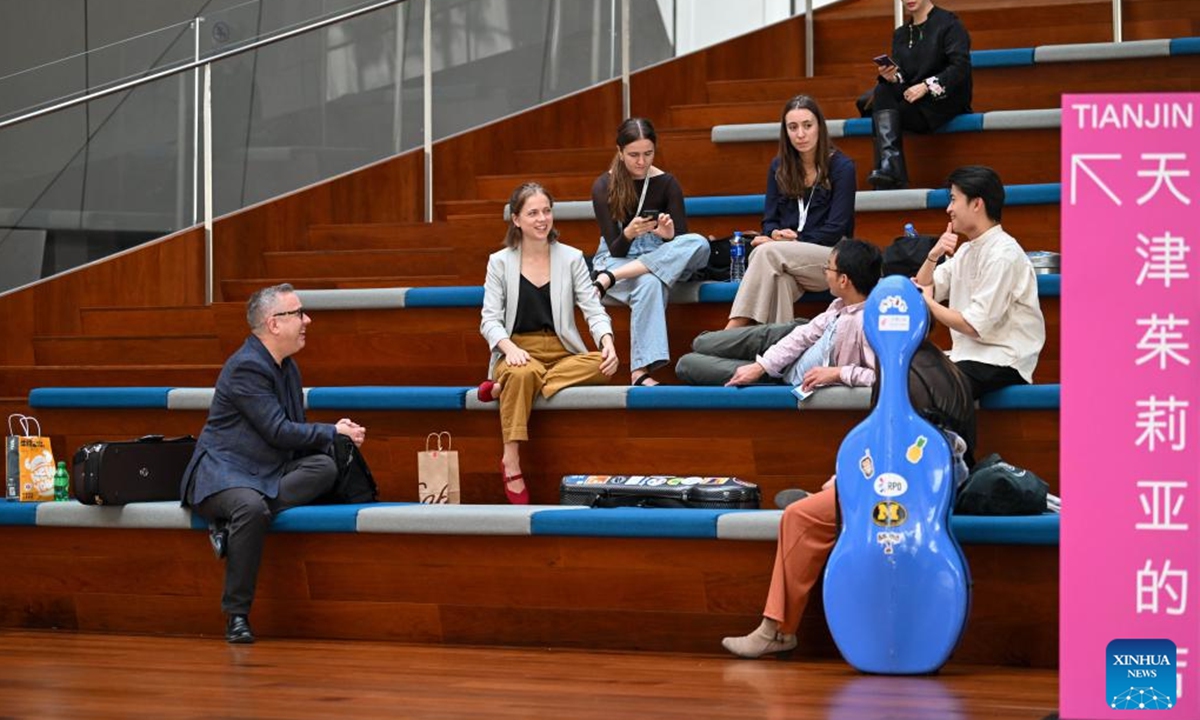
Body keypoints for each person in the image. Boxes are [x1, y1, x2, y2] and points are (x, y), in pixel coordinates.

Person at [721, 337, 977, 659]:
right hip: (940, 486)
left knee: (800, 517)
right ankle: (828, 498)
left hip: (909, 495)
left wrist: (844, 485)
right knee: (819, 504)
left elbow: (892, 453)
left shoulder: (901, 374)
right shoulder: (943, 366)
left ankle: (776, 632)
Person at [180, 283, 367, 644]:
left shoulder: (287, 366)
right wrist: (332, 431)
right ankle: (236, 615)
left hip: (266, 471)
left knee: (324, 468)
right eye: (298, 314)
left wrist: (330, 438)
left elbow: (292, 435)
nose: (307, 320)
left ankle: (229, 528)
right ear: (274, 323)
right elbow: (278, 431)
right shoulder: (246, 367)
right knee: (250, 508)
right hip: (224, 473)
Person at [480, 182, 619, 503]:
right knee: (522, 372)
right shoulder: (499, 262)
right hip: (518, 350)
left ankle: (503, 387)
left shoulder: (571, 258)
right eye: (533, 213)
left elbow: (592, 309)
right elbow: (489, 320)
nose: (542, 219)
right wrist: (510, 350)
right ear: (516, 219)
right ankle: (511, 459)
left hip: (561, 352)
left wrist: (607, 340)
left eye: (546, 211)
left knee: (603, 365)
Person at [589, 117, 711, 385]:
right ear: (620, 152)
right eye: (634, 155)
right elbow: (615, 248)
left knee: (699, 243)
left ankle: (610, 278)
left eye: (648, 153)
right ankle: (640, 372)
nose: (641, 161)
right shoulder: (603, 186)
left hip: (634, 266)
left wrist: (668, 236)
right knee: (649, 282)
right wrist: (629, 233)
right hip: (618, 257)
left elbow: (682, 243)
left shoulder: (667, 183)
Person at [676, 238, 881, 390]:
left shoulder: (870, 324)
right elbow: (803, 336)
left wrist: (838, 373)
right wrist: (761, 366)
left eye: (828, 268)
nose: (825, 272)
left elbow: (885, 378)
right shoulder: (839, 305)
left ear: (843, 280)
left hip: (782, 375)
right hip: (784, 342)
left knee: (687, 364)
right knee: (702, 342)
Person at [726, 95, 857, 329]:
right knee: (779, 280)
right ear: (785, 132)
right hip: (787, 259)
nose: (801, 134)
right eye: (793, 127)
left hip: (831, 257)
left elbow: (836, 229)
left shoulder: (842, 167)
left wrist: (794, 240)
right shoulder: (779, 166)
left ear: (819, 127)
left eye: (807, 125)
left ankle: (732, 329)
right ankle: (779, 348)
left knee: (766, 253)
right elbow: (769, 220)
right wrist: (774, 234)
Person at [915, 165, 1045, 400]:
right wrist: (933, 256)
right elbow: (926, 288)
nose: (948, 209)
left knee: (935, 387)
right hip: (968, 358)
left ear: (977, 204)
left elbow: (974, 325)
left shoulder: (1004, 254)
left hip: (1003, 359)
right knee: (904, 372)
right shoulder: (966, 251)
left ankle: (952, 428)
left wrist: (928, 303)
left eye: (953, 200)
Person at [862, 0, 972, 190]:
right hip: (913, 98)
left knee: (885, 111)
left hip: (942, 100)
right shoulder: (901, 33)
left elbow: (960, 68)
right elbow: (905, 77)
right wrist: (893, 77)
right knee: (883, 89)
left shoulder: (949, 23)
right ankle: (891, 168)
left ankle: (890, 170)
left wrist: (926, 86)